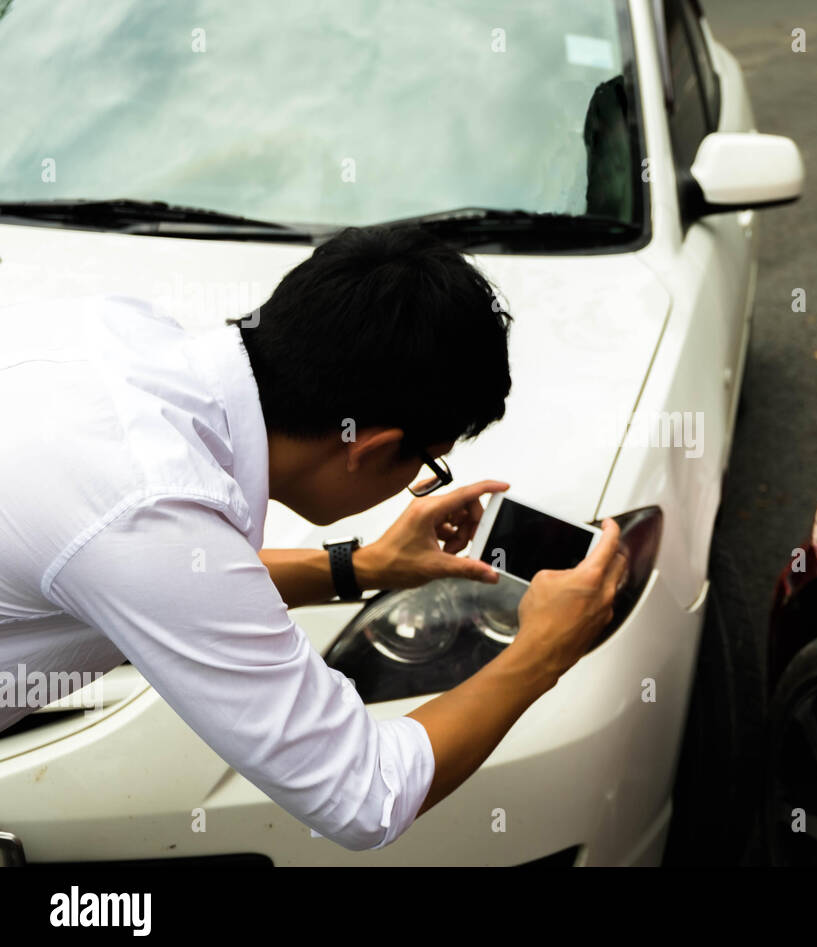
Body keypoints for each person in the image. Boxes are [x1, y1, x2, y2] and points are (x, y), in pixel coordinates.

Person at [0, 223, 625, 851]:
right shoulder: (148, 504)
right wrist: (546, 648)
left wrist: (359, 567)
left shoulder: (117, 332)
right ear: (373, 447)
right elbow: (367, 794)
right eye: (430, 464)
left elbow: (176, 581)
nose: (422, 482)